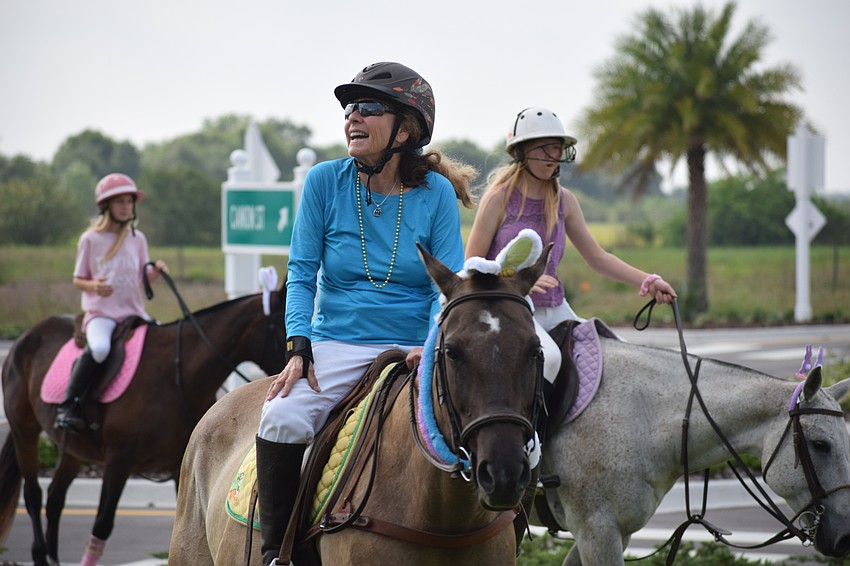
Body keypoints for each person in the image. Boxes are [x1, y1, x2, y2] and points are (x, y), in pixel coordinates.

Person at [256, 61, 476, 566]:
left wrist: (429, 347)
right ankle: (277, 555)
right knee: (282, 418)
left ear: (406, 129)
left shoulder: (436, 194)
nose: (353, 117)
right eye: (350, 108)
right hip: (336, 343)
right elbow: (302, 272)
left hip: (414, 349)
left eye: (369, 108)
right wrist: (298, 348)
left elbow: (447, 285)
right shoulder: (323, 182)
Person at [465, 107, 677, 381]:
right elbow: (472, 266)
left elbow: (598, 258)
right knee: (549, 359)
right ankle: (533, 426)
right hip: (508, 307)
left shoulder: (565, 201)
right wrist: (514, 279)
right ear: (520, 152)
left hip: (556, 309)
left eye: (556, 148)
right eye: (544, 149)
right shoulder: (498, 199)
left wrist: (648, 281)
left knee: (620, 358)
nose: (553, 157)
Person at [55, 173, 168, 432]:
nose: (126, 206)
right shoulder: (90, 240)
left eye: (129, 201)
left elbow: (141, 276)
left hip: (133, 312)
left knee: (163, 341)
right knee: (100, 349)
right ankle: (69, 404)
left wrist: (155, 273)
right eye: (120, 202)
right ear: (106, 206)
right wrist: (93, 286)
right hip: (102, 314)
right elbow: (78, 278)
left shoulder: (137, 239)